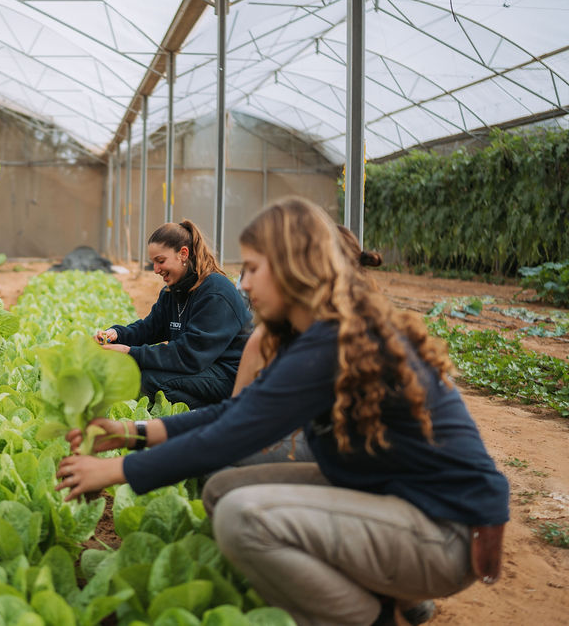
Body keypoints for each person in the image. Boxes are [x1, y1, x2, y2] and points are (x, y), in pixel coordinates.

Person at [58, 197, 509, 626]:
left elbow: (232, 433)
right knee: (223, 489)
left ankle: (372, 617)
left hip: (443, 529)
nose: (244, 283)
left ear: (295, 269)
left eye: (253, 269)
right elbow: (235, 414)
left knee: (243, 517)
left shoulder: (334, 341)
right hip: (398, 499)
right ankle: (391, 597)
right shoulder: (319, 333)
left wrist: (116, 470)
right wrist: (132, 431)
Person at [228, 225, 383, 467]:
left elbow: (244, 418)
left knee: (225, 462)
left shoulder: (333, 335)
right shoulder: (362, 321)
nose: (245, 285)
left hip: (358, 464)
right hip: (341, 452)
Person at [94, 220, 251, 409]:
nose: (156, 270)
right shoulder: (173, 291)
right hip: (202, 368)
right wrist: (117, 335)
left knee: (148, 380)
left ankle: (219, 410)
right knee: (136, 372)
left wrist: (129, 352)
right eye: (153, 262)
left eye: (160, 261)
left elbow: (189, 355)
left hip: (230, 376)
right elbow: (150, 328)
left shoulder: (215, 291)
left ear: (183, 254)